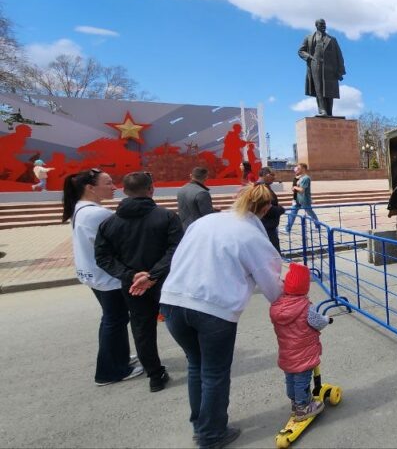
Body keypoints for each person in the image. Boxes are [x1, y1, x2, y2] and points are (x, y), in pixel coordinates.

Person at [159, 184, 284, 448]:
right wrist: (288, 304)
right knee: (214, 372)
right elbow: (271, 284)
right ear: (265, 209)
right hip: (213, 309)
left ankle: (201, 424)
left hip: (173, 301)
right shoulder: (252, 236)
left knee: (196, 365)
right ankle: (211, 434)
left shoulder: (204, 222)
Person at [95, 171, 182, 392]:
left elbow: (103, 258)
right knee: (183, 322)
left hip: (134, 286)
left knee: (142, 329)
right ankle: (198, 361)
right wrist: (151, 275)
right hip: (166, 282)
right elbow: (177, 250)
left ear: (124, 191)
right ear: (151, 189)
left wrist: (130, 275)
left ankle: (154, 376)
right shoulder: (167, 217)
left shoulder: (109, 224)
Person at [62, 168, 144, 386]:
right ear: (90, 188)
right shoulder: (96, 214)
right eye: (108, 183)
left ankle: (118, 358)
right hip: (108, 277)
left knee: (113, 319)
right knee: (114, 320)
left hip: (95, 275)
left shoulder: (81, 208)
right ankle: (110, 371)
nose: (114, 187)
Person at [270, 263, 329, 421]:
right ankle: (303, 408)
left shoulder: (277, 307)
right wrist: (326, 319)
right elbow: (318, 322)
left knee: (290, 377)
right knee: (302, 379)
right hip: (303, 353)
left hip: (286, 352)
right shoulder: (306, 307)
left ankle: (295, 403)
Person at [298, 18, 346, 116]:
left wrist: (340, 70)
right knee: (318, 89)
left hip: (330, 68)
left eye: (324, 24)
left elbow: (339, 55)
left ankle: (329, 111)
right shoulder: (309, 37)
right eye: (321, 24)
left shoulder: (332, 39)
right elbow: (301, 51)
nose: (323, 26)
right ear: (316, 26)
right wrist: (310, 58)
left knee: (330, 90)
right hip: (315, 66)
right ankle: (322, 110)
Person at [176, 167, 219, 231]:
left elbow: (188, 208)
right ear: (206, 177)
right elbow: (207, 215)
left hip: (185, 229)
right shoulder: (202, 193)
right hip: (198, 229)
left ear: (191, 176)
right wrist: (216, 211)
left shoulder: (181, 190)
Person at [256, 168, 286, 251]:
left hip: (267, 227)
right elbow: (267, 209)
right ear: (265, 175)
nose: (274, 177)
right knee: (273, 254)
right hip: (266, 228)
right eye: (272, 175)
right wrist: (281, 209)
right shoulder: (260, 188)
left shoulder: (263, 186)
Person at [284, 163, 318, 233]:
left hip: (304, 200)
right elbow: (295, 188)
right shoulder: (299, 178)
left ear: (303, 169)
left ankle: (317, 226)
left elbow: (302, 190)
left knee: (311, 213)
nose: (297, 169)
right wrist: (294, 188)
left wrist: (295, 187)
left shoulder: (306, 178)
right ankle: (288, 229)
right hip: (297, 199)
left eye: (299, 168)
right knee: (292, 214)